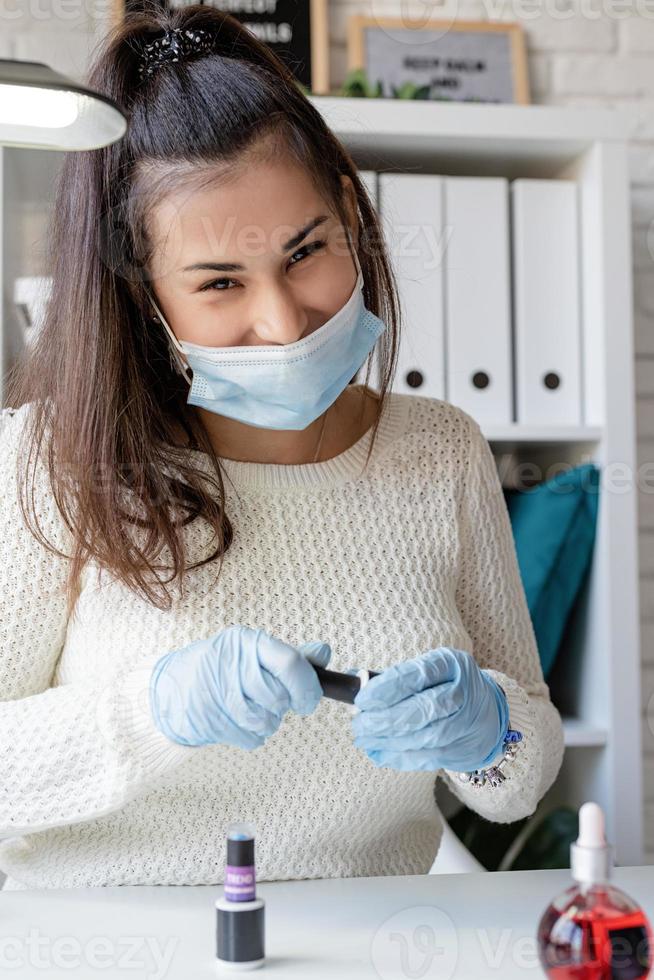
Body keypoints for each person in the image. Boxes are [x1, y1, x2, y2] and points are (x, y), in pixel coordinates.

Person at [0, 6, 564, 890]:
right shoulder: (51, 460)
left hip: (370, 948)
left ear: (349, 214)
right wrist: (154, 713)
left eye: (306, 252)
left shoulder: (440, 452)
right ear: (143, 295)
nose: (282, 318)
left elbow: (516, 785)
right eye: (220, 282)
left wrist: (488, 728)